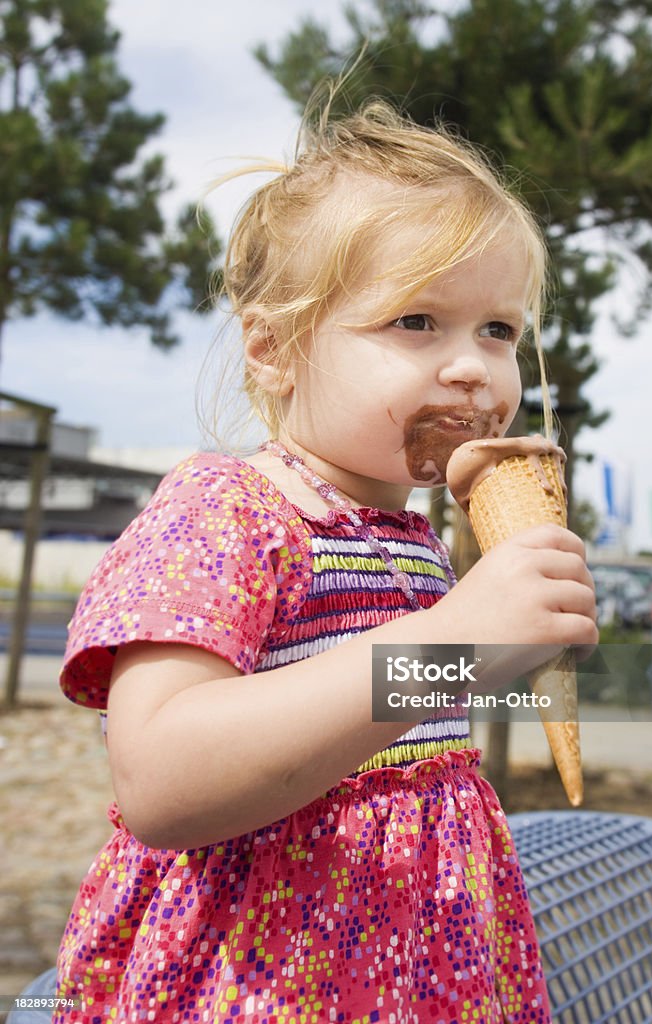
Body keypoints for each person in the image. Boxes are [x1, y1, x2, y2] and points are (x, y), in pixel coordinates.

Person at [53, 98, 597, 1023]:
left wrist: (499, 655)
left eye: (499, 330)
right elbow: (162, 781)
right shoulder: (227, 511)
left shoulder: (416, 542)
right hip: (260, 979)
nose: (474, 366)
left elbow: (410, 728)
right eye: (418, 320)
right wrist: (450, 643)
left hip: (428, 973)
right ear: (274, 349)